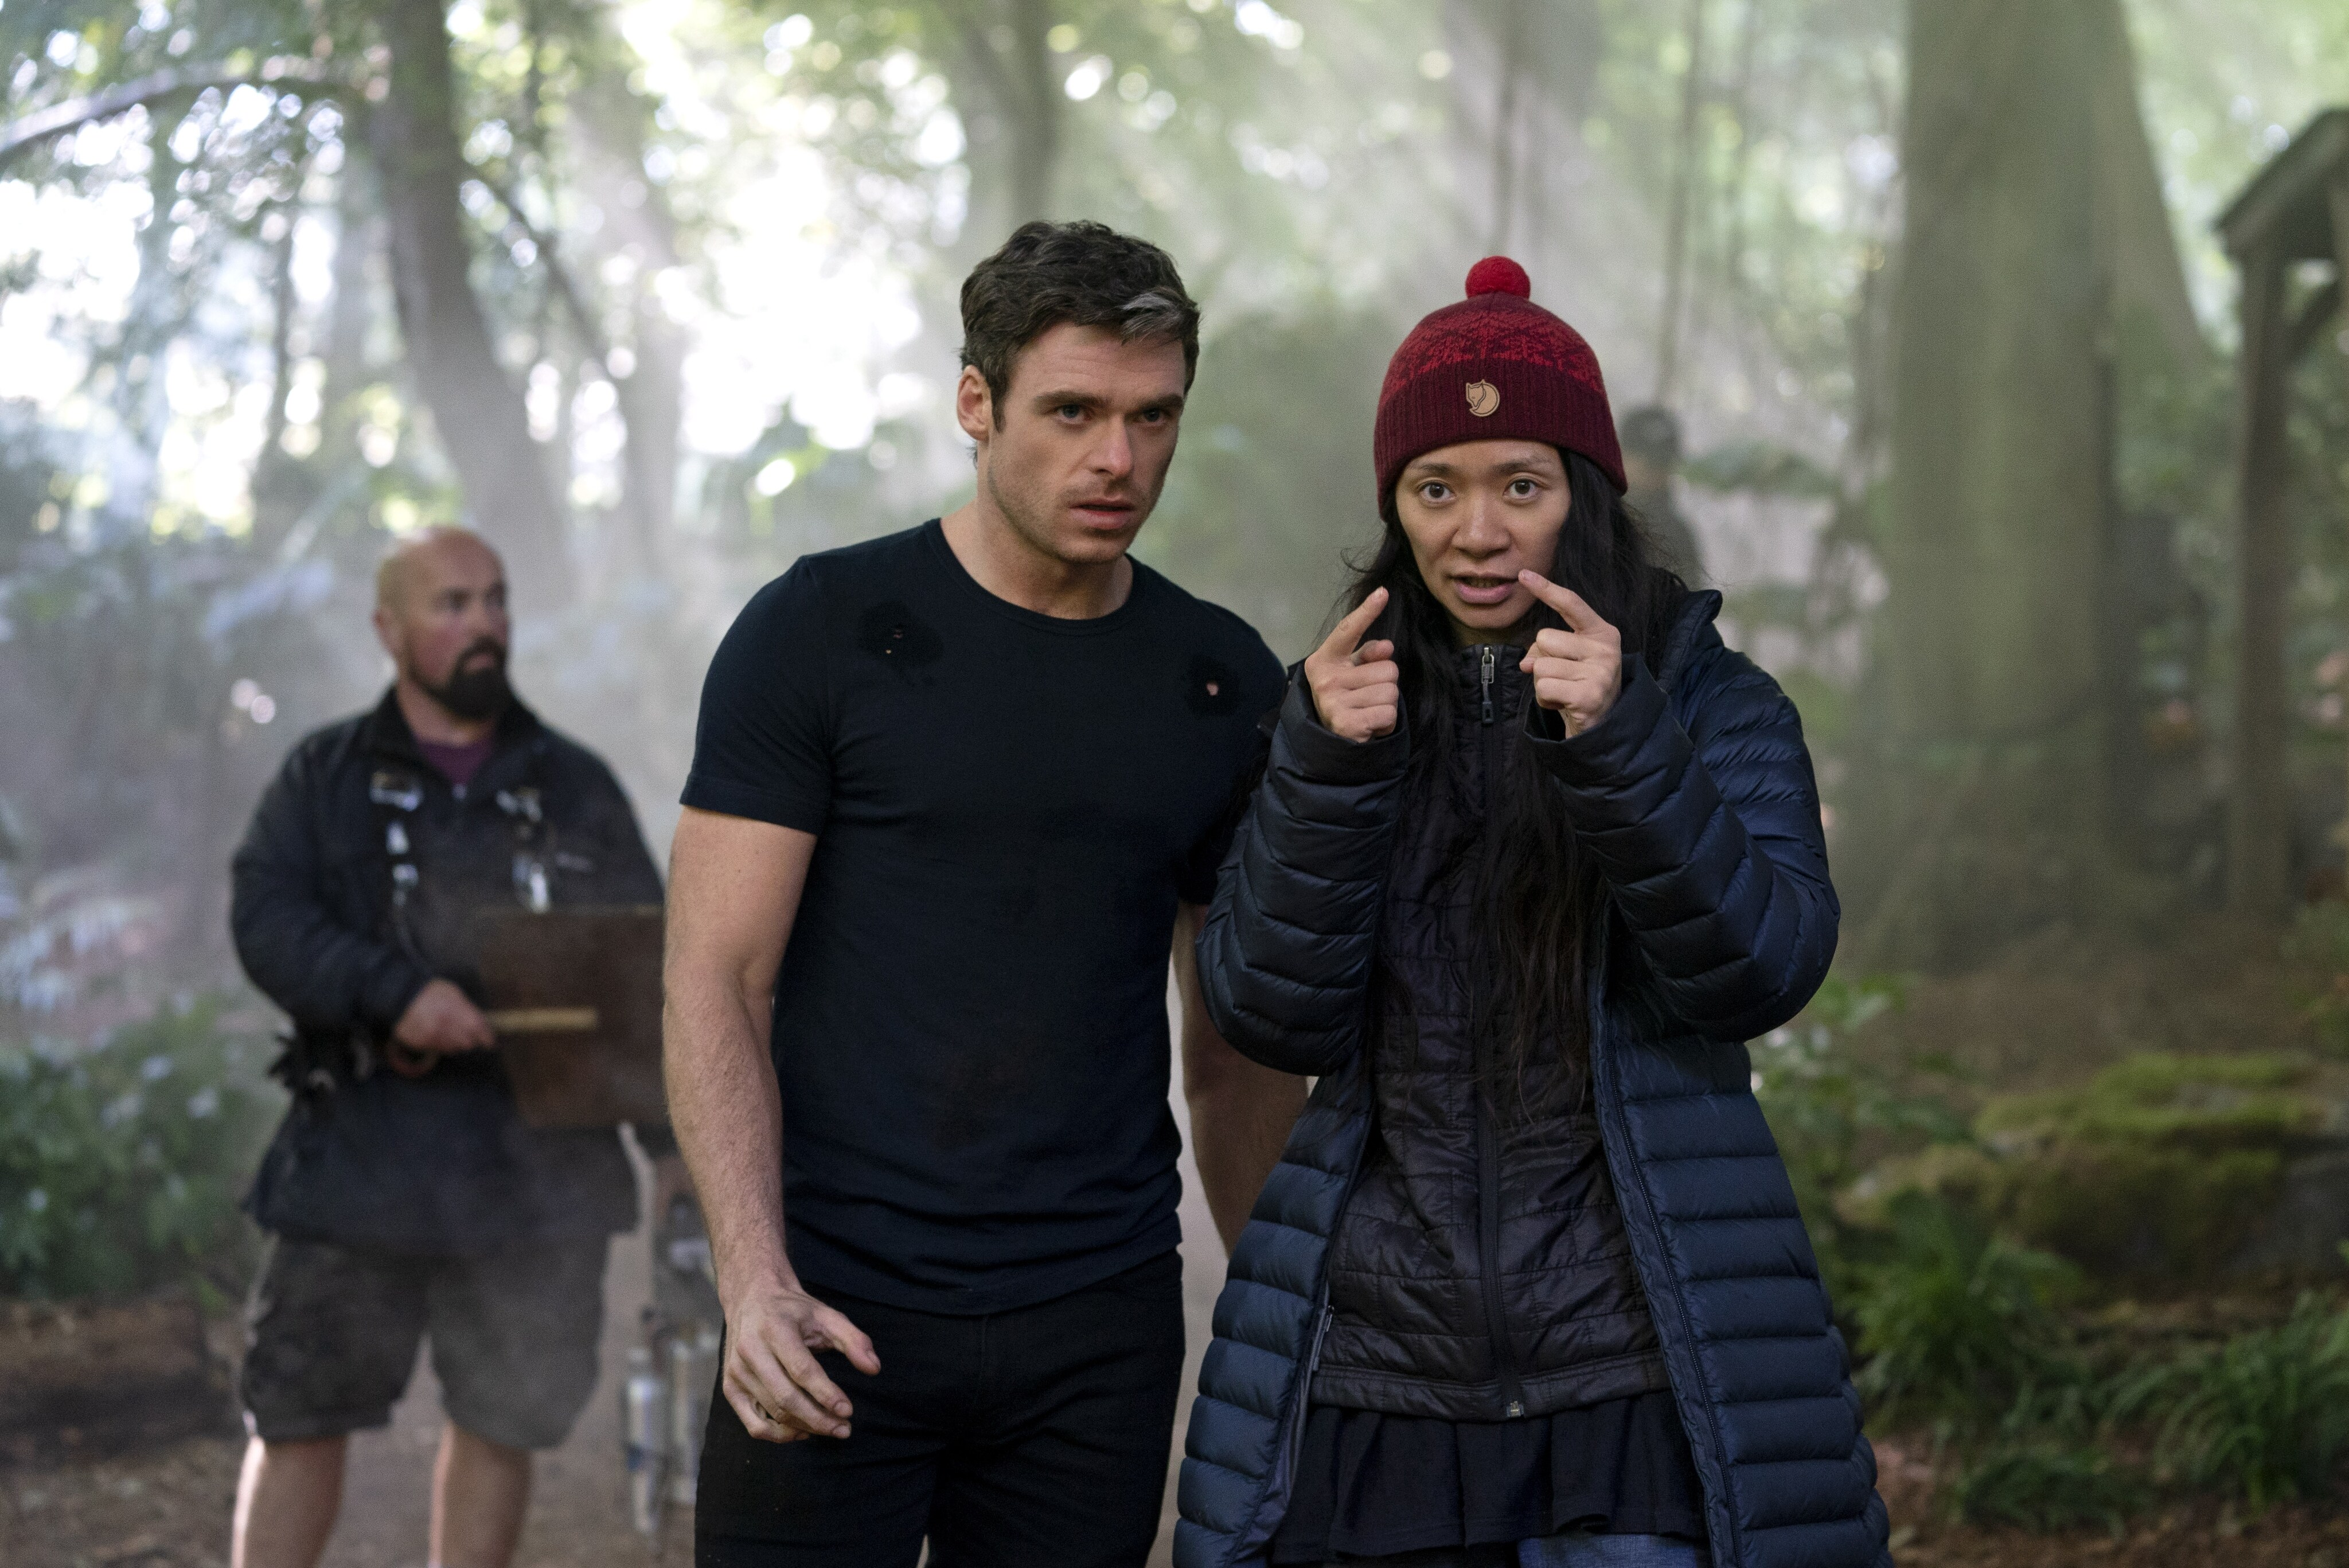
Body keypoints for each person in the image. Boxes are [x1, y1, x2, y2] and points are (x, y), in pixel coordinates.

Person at [1175, 259, 1889, 1568]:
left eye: (1522, 484)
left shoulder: (1711, 706)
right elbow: (1271, 1009)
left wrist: (1621, 744)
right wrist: (1328, 772)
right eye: (1436, 487)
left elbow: (1760, 972)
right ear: (1396, 506)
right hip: (1378, 1378)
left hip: (1635, 1365)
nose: (1479, 529)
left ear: (1587, 497)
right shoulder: (1338, 710)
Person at [665, 220, 1304, 1567]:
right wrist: (752, 1279)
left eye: (1151, 415)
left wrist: (1280, 1301)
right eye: (1072, 410)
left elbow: (1237, 1048)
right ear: (977, 401)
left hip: (1095, 1318)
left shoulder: (1220, 678)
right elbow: (716, 976)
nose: (1117, 458)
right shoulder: (820, 631)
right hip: (831, 1296)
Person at [228, 527, 673, 1568]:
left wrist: (669, 1147)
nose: (483, 623)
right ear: (389, 629)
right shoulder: (324, 776)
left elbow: (640, 971)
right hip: (360, 1156)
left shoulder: (575, 785)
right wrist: (392, 992)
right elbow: (267, 916)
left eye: (495, 599)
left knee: (504, 1417)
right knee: (298, 1413)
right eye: (452, 603)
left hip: (535, 1175)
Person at [1617, 404, 1704, 587]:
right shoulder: (1588, 514)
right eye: (1646, 464)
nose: (1654, 475)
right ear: (1621, 455)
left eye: (1662, 465)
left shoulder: (1677, 536)